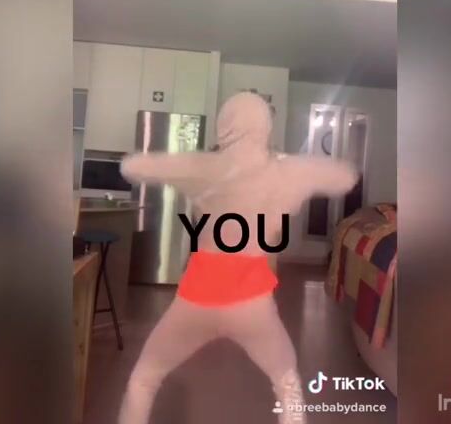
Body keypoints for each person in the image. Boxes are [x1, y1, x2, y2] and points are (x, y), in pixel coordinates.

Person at [118, 92, 358, 424]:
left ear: (224, 125)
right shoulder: (284, 171)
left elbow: (131, 166)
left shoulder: (205, 166)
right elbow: (346, 176)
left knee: (144, 379)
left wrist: (197, 164)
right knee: (287, 384)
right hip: (252, 305)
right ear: (266, 126)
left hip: (196, 300)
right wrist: (287, 164)